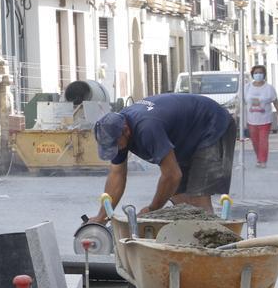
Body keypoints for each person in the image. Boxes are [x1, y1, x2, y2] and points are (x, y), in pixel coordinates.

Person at [88, 93, 237, 222]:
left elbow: (172, 175)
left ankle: (212, 239)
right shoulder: (117, 131)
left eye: (115, 144)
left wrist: (153, 208)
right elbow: (117, 174)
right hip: (188, 133)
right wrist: (102, 216)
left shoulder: (147, 128)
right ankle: (192, 235)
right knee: (179, 196)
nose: (115, 148)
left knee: (198, 196)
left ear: (126, 131)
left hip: (213, 125)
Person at [245, 65, 278, 167]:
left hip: (265, 120)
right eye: (256, 73)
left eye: (260, 73)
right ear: (253, 75)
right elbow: (241, 102)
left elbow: (276, 102)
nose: (258, 75)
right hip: (251, 120)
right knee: (255, 141)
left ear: (264, 74)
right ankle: (259, 158)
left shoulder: (269, 88)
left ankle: (263, 161)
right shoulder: (247, 88)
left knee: (263, 140)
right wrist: (236, 114)